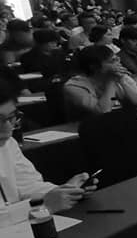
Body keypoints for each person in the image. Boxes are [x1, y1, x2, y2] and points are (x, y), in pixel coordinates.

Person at [0, 81, 95, 210]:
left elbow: (29, 185)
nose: (7, 129)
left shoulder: (8, 144)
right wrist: (45, 204)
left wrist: (65, 191)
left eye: (11, 117)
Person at [63, 46, 137, 121]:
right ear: (94, 67)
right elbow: (103, 112)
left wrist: (122, 81)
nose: (118, 64)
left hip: (121, 123)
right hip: (89, 128)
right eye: (112, 61)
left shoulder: (121, 77)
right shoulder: (74, 86)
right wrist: (111, 81)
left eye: (117, 59)